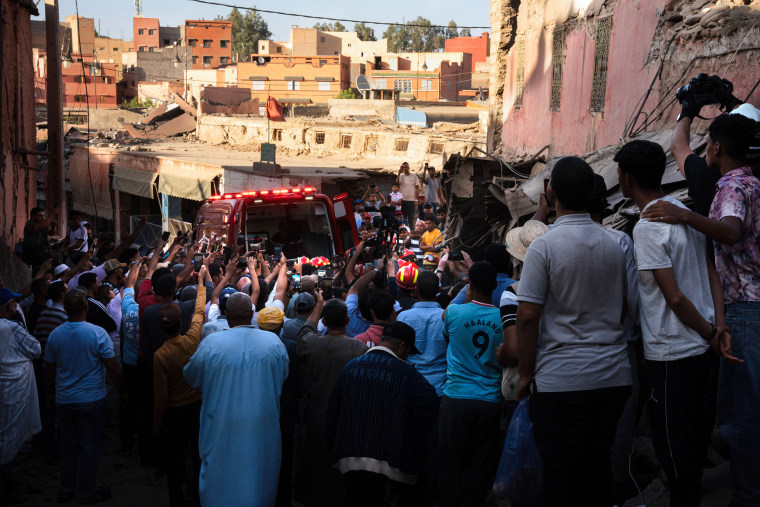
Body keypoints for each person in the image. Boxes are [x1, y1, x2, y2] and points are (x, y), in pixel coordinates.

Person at [640, 113, 760, 506]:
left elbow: (729, 231)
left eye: (707, 142)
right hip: (737, 311)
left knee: (740, 419)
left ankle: (746, 496)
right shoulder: (753, 182)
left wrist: (684, 215)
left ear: (717, 147)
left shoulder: (732, 187)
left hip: (744, 309)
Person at [615, 139, 738, 506]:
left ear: (626, 179)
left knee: (672, 446)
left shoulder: (649, 225)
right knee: (694, 443)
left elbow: (675, 297)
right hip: (703, 348)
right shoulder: (684, 214)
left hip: (671, 353)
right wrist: (718, 328)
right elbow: (713, 275)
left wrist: (708, 331)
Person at [516, 156, 632, 507]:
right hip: (612, 378)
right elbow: (625, 307)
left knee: (560, 476)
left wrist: (524, 374)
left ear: (551, 193)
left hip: (561, 382)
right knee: (597, 471)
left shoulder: (544, 247)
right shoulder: (617, 243)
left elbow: (526, 318)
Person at [183, 292, 289, 507]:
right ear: (251, 314)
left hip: (221, 427)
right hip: (261, 429)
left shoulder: (211, 344)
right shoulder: (274, 343)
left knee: (220, 481)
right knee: (259, 480)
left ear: (227, 315)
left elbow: (190, 376)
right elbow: (282, 376)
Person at [325, 321, 439, 507]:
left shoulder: (351, 367)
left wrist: (333, 448)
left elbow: (332, 414)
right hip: (391, 465)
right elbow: (429, 407)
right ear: (402, 347)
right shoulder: (406, 374)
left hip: (349, 459)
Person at [46, 290, 124, 504]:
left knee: (68, 445)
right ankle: (87, 491)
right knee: (89, 446)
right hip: (91, 398)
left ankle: (66, 487)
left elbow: (50, 370)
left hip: (65, 399)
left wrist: (50, 393)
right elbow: (113, 368)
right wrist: (122, 390)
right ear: (86, 308)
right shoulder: (97, 333)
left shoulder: (56, 335)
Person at [438, 262, 503, 507]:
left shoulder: (455, 313)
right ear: (495, 287)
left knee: (450, 462)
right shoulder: (502, 318)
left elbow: (446, 322)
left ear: (471, 286)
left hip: (456, 397)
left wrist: (465, 294)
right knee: (481, 462)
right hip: (489, 399)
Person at [297, 293, 368, 506]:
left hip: (317, 418)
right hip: (347, 419)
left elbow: (304, 331)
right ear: (347, 321)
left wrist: (319, 305)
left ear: (324, 322)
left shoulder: (312, 344)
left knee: (317, 467)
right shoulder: (359, 349)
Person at [153, 268, 207, 507]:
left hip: (174, 412)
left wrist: (157, 422)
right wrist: (202, 283)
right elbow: (198, 312)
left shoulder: (160, 355)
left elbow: (161, 394)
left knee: (174, 459)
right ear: (179, 323)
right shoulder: (192, 340)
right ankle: (195, 495)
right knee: (197, 455)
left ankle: (176, 498)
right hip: (196, 406)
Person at [0, 288, 41, 505]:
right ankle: (4, 481)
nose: (16, 305)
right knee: (8, 431)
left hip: (5, 381)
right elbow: (34, 348)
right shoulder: (10, 327)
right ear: (9, 306)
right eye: (14, 302)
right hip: (12, 383)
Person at [398, 271, 447, 397]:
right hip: (441, 387)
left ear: (416, 290)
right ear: (439, 290)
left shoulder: (403, 317)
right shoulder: (447, 317)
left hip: (411, 386)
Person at [450, 243, 515, 306]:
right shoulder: (517, 287)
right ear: (509, 264)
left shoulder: (473, 287)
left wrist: (449, 255)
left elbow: (446, 313)